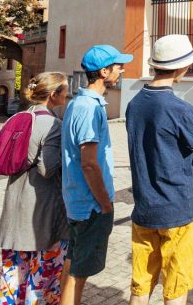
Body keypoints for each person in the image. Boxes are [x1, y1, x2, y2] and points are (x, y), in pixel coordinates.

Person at [125, 35, 193, 305]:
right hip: (178, 207)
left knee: (141, 285)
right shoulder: (180, 109)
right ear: (182, 68)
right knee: (176, 287)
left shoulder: (133, 105)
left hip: (144, 206)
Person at [0, 72, 70, 305]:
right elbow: (47, 169)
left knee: (12, 271)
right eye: (64, 90)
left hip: (13, 206)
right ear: (53, 95)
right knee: (42, 273)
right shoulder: (54, 124)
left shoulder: (13, 120)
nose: (67, 94)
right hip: (42, 211)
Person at [60, 44, 132, 305]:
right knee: (79, 273)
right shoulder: (89, 108)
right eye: (117, 66)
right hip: (90, 205)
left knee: (72, 264)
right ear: (104, 71)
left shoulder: (78, 103)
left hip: (77, 200)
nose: (121, 70)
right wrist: (104, 202)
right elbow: (89, 163)